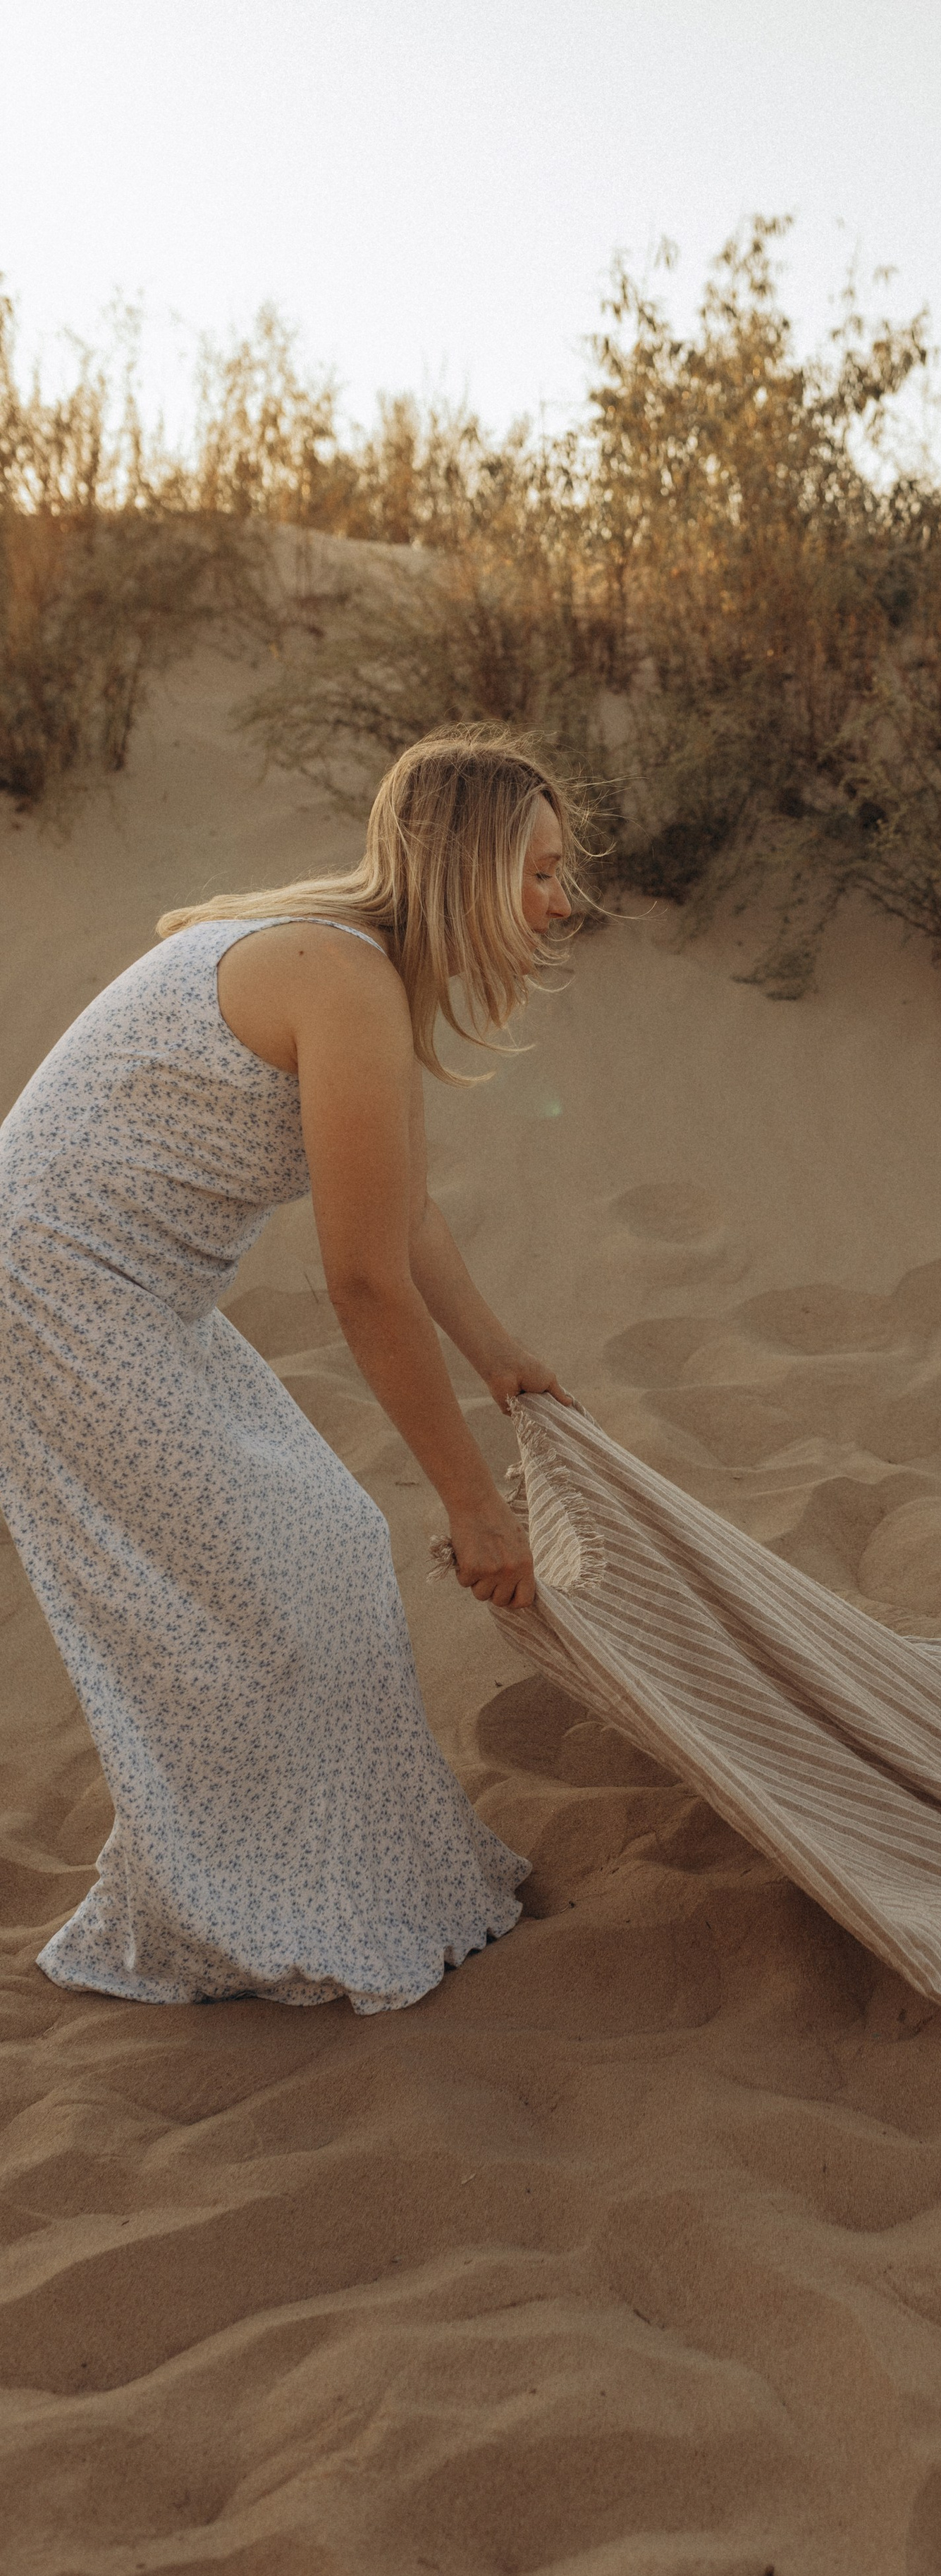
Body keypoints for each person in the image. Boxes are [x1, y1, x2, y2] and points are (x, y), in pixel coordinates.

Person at [0, 727, 579, 2013]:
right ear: (470, 870)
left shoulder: (365, 971)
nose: (559, 902)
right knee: (264, 1590)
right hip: (50, 1294)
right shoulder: (345, 978)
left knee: (324, 1549)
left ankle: (351, 1887)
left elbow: (406, 1210)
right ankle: (257, 1919)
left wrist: (501, 1360)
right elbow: (362, 1281)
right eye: (539, 873)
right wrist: (472, 1504)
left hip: (128, 1291)